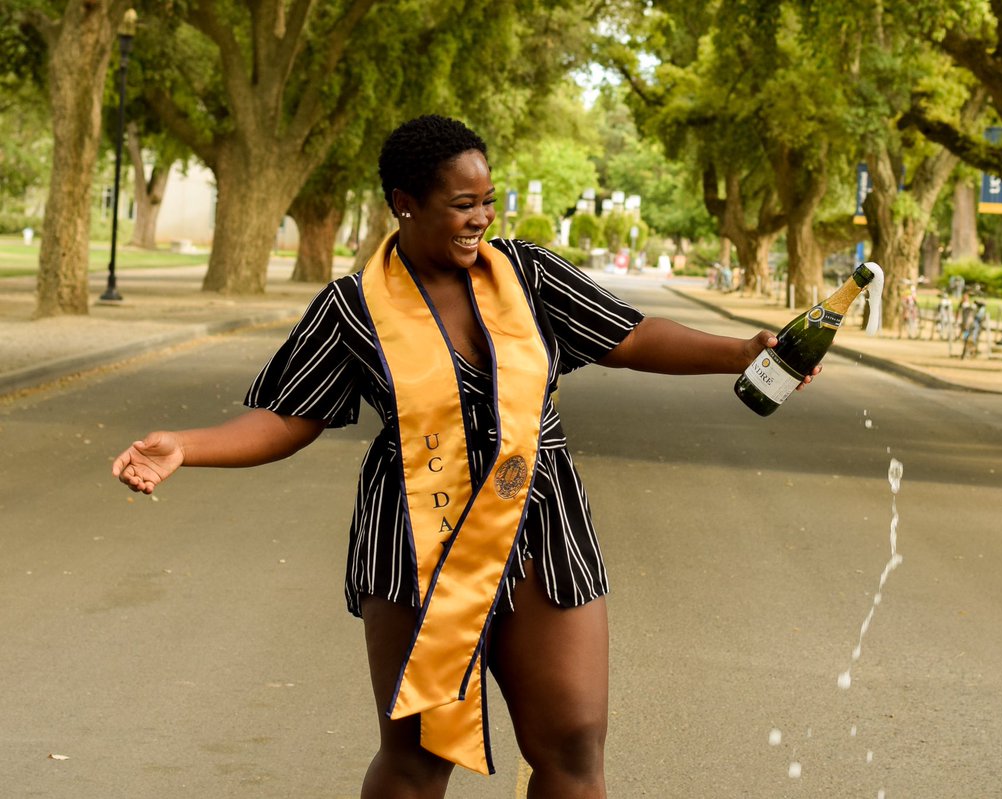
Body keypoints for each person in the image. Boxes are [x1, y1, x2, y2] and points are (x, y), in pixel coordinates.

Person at [111, 115, 820, 799]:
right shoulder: (352, 307)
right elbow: (289, 415)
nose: (481, 218)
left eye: (488, 201)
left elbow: (628, 337)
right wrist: (187, 446)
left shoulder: (528, 274)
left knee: (573, 745)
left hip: (542, 522)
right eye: (461, 204)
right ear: (404, 204)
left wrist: (740, 350)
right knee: (418, 758)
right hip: (416, 535)